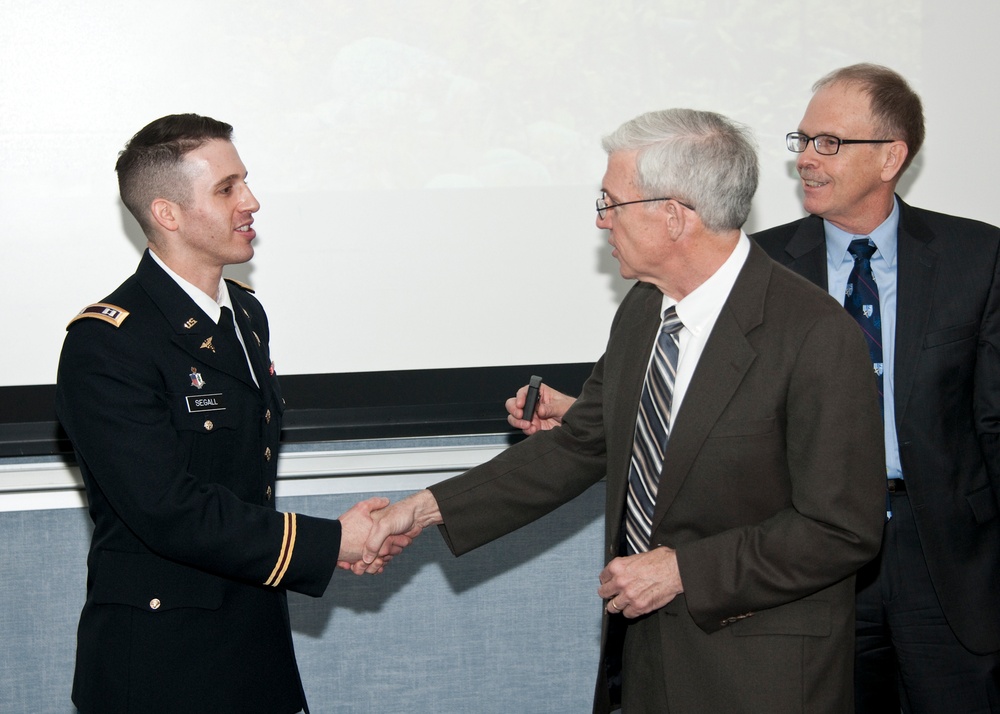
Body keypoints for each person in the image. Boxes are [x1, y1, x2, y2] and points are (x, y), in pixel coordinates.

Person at [508, 64, 1000, 713]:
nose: (807, 161)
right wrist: (593, 416)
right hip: (800, 556)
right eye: (802, 141)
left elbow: (991, 422)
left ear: (891, 156)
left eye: (830, 143)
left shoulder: (976, 257)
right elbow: (709, 396)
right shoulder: (751, 263)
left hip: (944, 556)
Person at [365, 108, 886, 713]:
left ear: (673, 215)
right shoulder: (644, 311)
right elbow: (579, 444)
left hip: (759, 673)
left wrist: (686, 569)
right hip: (644, 660)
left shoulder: (814, 334)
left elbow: (840, 529)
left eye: (611, 202)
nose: (600, 220)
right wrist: (418, 511)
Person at [55, 114, 413, 714]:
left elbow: (243, 483)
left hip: (253, 641)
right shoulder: (108, 343)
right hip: (161, 665)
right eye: (226, 188)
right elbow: (169, 510)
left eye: (244, 180)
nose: (251, 201)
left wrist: (339, 540)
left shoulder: (244, 314)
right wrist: (332, 542)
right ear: (167, 214)